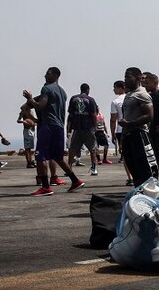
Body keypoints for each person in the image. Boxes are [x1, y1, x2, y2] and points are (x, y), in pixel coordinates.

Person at [23, 66, 84, 196]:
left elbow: (41, 106)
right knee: (58, 157)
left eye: (48, 73)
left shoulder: (46, 89)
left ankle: (46, 187)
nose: (45, 76)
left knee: (40, 156)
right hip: (59, 126)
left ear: (55, 75)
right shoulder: (62, 92)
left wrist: (30, 98)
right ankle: (75, 180)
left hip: (48, 125)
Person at [117, 67, 158, 188]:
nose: (125, 80)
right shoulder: (129, 95)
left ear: (138, 78)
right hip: (128, 135)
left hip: (139, 134)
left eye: (128, 77)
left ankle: (151, 192)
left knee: (145, 167)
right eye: (125, 77)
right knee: (133, 167)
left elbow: (149, 115)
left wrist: (130, 123)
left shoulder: (142, 94)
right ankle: (139, 191)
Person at [66, 83, 100, 176]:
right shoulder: (90, 100)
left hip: (77, 127)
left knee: (72, 149)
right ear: (88, 90)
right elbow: (94, 114)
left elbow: (70, 115)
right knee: (92, 148)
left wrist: (68, 129)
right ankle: (93, 168)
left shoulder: (73, 98)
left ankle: (69, 168)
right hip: (88, 127)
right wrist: (95, 126)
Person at [109, 80, 126, 159]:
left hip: (120, 129)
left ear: (120, 88)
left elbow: (113, 120)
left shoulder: (115, 102)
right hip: (132, 127)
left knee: (123, 149)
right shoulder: (131, 98)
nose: (114, 90)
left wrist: (113, 134)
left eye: (115, 88)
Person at [18, 101, 37, 168]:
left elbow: (35, 120)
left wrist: (34, 123)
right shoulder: (23, 111)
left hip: (32, 129)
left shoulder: (32, 111)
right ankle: (28, 162)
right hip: (27, 130)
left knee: (30, 147)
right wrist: (25, 122)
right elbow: (18, 120)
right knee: (27, 147)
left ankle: (31, 161)